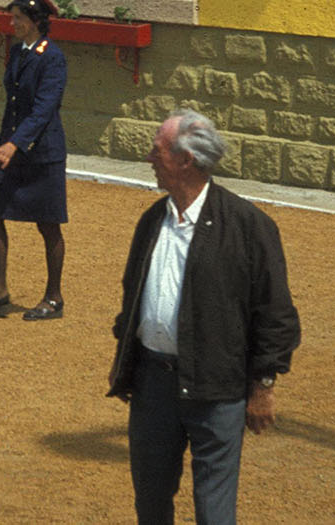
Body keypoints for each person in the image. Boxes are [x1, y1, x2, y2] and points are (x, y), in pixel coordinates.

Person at [106, 109, 301, 525]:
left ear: (185, 160)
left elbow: (276, 313)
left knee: (213, 510)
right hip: (153, 387)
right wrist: (127, 366)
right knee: (151, 503)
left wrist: (263, 386)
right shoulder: (150, 222)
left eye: (156, 150)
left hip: (218, 390)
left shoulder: (249, 226)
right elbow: (132, 298)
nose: (149, 158)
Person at [0, 0, 69, 321]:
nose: (13, 23)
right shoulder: (17, 52)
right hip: (14, 148)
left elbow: (43, 109)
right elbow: (12, 104)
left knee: (48, 225)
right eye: (13, 17)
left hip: (42, 152)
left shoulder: (52, 57)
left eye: (19, 18)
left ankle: (53, 298)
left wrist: (14, 143)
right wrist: (2, 143)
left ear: (36, 20)